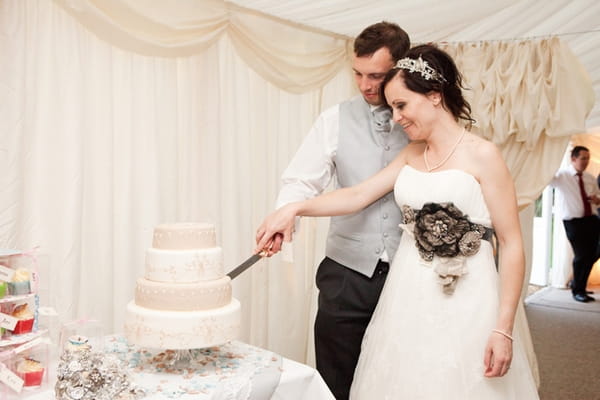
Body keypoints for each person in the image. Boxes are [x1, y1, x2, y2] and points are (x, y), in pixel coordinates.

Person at [256, 44, 539, 398]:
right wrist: (294, 209)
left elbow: (511, 244)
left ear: (434, 96)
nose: (396, 117)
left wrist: (504, 327)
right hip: (408, 294)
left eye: (401, 105)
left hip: (468, 295)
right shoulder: (411, 153)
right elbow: (357, 195)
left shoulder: (483, 155)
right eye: (391, 108)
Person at [265, 21, 410, 399]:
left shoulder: (421, 123)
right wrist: (286, 214)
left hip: (409, 274)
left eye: (376, 76)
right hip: (346, 273)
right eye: (358, 74)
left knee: (400, 376)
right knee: (335, 377)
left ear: (401, 68)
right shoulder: (334, 119)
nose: (364, 86)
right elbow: (300, 180)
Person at [550, 146, 600, 302]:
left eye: (588, 158)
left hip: (591, 219)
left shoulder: (590, 177)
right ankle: (577, 290)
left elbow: (597, 195)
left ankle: (579, 285)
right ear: (573, 158)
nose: (586, 162)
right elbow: (544, 177)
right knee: (581, 255)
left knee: (593, 254)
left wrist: (598, 199)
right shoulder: (561, 176)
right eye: (583, 158)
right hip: (573, 222)